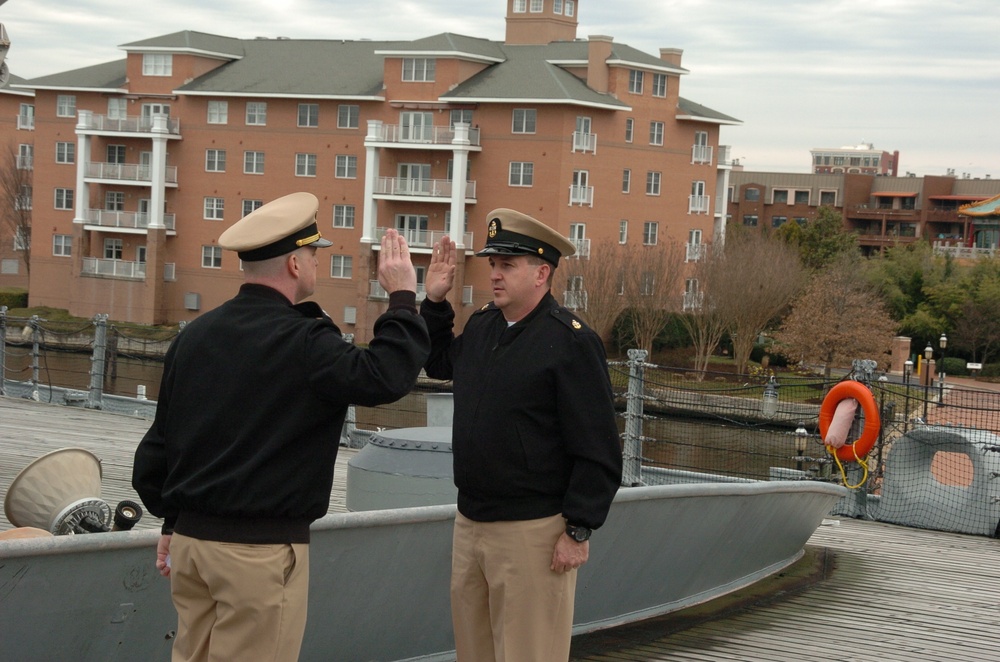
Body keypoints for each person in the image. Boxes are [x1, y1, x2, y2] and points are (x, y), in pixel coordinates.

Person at [132, 191, 430, 662]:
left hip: (190, 546)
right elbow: (386, 376)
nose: (315, 263)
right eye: (313, 254)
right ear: (295, 265)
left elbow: (161, 446)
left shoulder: (196, 336)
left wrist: (175, 519)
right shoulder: (306, 341)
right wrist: (402, 297)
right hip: (258, 554)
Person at [420, 208, 623, 661]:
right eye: (493, 264)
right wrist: (434, 303)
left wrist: (578, 529)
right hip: (471, 525)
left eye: (507, 265)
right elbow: (438, 364)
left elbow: (599, 447)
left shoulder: (570, 342)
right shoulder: (483, 325)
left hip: (532, 533)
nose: (494, 274)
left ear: (541, 272)